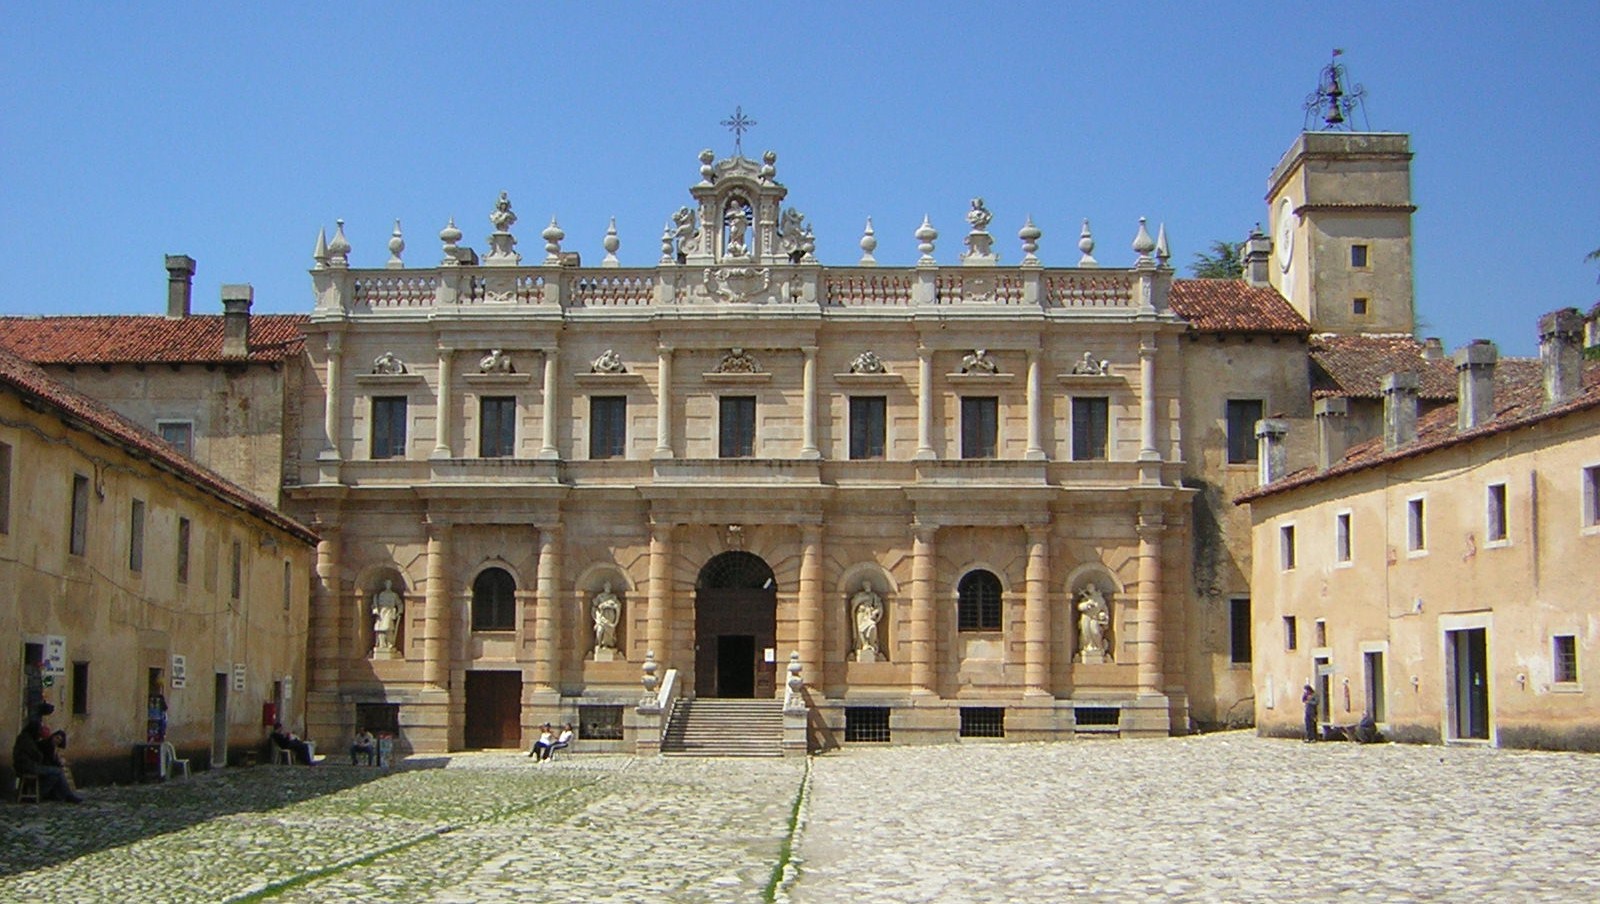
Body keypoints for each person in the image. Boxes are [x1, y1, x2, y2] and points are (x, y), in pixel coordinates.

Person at [12, 719, 81, 802]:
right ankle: (67, 795)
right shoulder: (26, 739)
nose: (39, 732)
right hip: (27, 767)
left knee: (54, 775)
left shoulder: (27, 738)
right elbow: (37, 755)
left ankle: (49, 795)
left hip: (28, 766)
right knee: (58, 772)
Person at [371, 580, 403, 654]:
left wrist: (399, 611)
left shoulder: (394, 595)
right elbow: (375, 604)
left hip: (389, 612)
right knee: (380, 630)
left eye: (389, 584)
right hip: (381, 612)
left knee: (388, 628)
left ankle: (390, 644)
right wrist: (375, 609)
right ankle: (382, 645)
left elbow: (399, 603)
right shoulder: (381, 594)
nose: (388, 585)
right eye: (387, 584)